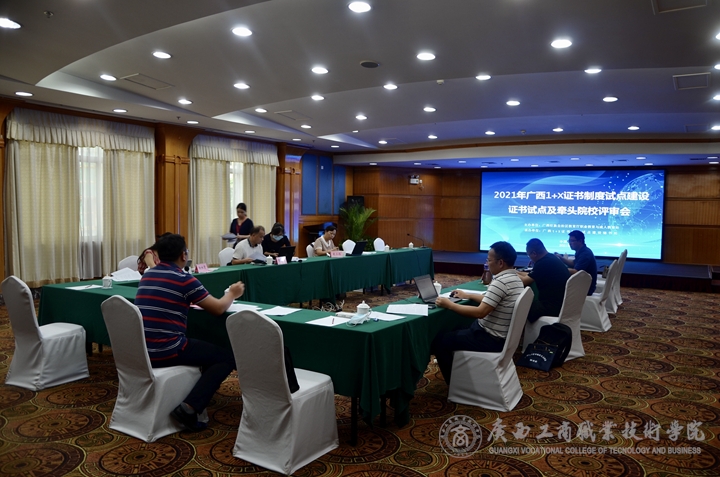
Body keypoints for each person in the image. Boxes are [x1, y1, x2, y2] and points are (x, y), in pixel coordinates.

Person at [134, 234, 245, 431]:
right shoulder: (184, 279)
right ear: (183, 256)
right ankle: (189, 408)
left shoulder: (148, 276)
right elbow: (218, 308)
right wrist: (232, 293)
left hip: (141, 350)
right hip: (167, 350)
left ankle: (196, 393)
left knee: (207, 350)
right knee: (227, 357)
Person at [431, 241, 524, 385]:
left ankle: (456, 385)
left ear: (500, 263)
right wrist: (468, 295)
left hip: (491, 339)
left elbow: (480, 312)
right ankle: (462, 371)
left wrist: (449, 304)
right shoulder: (515, 279)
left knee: (440, 341)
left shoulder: (500, 282)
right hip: (503, 337)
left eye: (489, 260)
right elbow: (493, 301)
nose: (487, 263)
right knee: (456, 327)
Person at [518, 238, 570, 323]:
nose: (529, 258)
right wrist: (516, 272)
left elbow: (524, 281)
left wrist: (508, 272)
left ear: (534, 253)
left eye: (529, 255)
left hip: (550, 306)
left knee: (519, 306)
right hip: (561, 304)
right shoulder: (551, 258)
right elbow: (531, 275)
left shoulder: (543, 263)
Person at [556, 230, 597, 295]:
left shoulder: (585, 254)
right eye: (569, 241)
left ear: (580, 241)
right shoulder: (580, 250)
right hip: (582, 284)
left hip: (586, 288)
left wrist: (559, 268)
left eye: (572, 241)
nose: (570, 243)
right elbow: (574, 263)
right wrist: (561, 258)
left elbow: (576, 272)